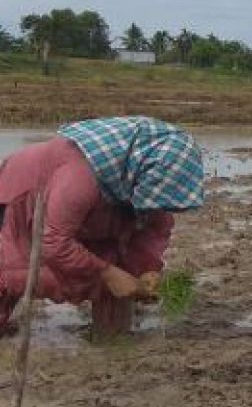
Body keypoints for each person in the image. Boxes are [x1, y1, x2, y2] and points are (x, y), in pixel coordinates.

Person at [0, 116, 204, 337]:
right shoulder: (80, 178)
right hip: (27, 198)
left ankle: (111, 338)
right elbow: (55, 243)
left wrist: (147, 269)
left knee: (123, 270)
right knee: (14, 270)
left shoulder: (146, 182)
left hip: (96, 208)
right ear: (141, 173)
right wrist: (106, 272)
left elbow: (153, 227)